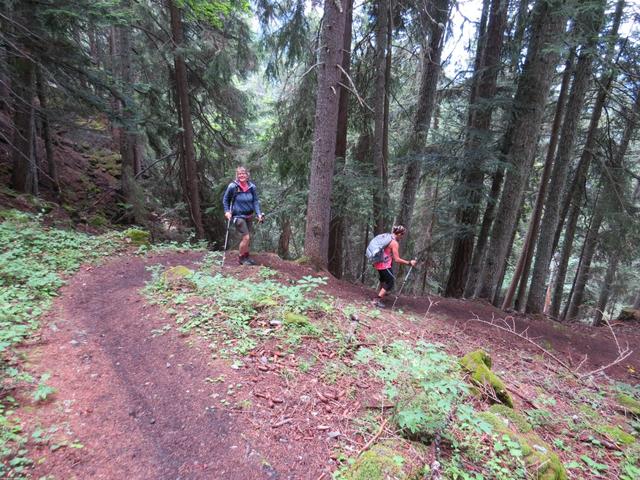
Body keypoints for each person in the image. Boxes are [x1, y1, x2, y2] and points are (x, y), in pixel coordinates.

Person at [222, 166, 264, 265]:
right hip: (238, 216)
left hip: (249, 215)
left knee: (247, 237)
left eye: (243, 173)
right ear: (237, 175)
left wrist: (258, 213)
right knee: (246, 237)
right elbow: (225, 200)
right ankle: (241, 258)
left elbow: (255, 201)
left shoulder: (252, 187)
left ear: (247, 175)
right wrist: (227, 211)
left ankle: (246, 256)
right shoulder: (233, 186)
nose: (241, 175)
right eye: (239, 174)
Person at [372, 225, 416, 308]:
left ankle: (382, 293)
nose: (403, 237)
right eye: (402, 234)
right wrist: (409, 262)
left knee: (383, 278)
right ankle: (376, 301)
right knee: (390, 282)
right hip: (384, 265)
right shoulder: (394, 243)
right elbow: (397, 259)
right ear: (399, 234)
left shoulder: (387, 237)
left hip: (378, 262)